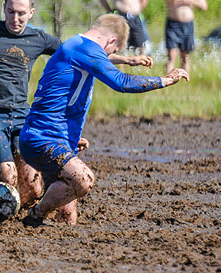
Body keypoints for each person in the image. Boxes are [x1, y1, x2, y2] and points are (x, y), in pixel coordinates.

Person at [0, 0, 149, 213]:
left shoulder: (38, 38)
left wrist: (125, 60)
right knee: (9, 175)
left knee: (33, 188)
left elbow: (81, 52)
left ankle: (16, 216)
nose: (15, 18)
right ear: (4, 9)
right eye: (10, 11)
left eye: (21, 13)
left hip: (21, 116)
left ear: (31, 13)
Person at [19, 14, 189, 226]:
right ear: (111, 41)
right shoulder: (84, 48)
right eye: (115, 50)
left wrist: (125, 59)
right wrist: (165, 80)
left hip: (55, 139)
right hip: (43, 139)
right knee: (83, 180)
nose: (111, 54)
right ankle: (36, 213)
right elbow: (121, 82)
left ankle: (41, 237)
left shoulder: (76, 45)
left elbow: (97, 61)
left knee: (67, 220)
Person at [158, 0, 208, 75]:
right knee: (171, 55)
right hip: (172, 23)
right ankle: (169, 80)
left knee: (185, 55)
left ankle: (185, 78)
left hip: (187, 24)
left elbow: (204, 5)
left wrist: (190, 1)